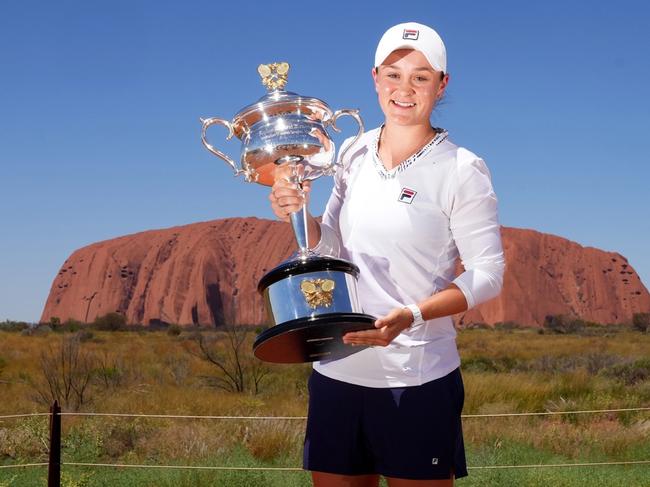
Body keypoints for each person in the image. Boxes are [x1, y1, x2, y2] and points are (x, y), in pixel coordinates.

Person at [269, 21, 505, 487]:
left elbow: (489, 274)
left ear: (442, 84)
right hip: (337, 369)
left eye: (420, 76)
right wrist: (299, 213)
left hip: (416, 378)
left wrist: (412, 315)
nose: (405, 89)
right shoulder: (352, 151)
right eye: (393, 75)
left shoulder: (462, 169)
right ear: (375, 78)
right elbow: (329, 246)